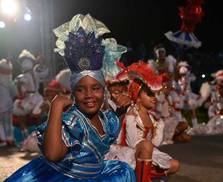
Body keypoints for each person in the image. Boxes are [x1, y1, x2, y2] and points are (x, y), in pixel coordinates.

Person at [5, 14, 135, 182]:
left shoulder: (106, 119)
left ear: (104, 91)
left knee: (123, 171)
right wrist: (56, 107)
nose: (89, 95)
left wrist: (122, 109)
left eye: (95, 88)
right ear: (73, 93)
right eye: (81, 90)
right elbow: (52, 154)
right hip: (66, 178)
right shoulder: (73, 121)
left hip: (95, 175)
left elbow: (108, 135)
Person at [118, 61, 180, 181]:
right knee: (146, 145)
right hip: (129, 154)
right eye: (150, 94)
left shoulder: (152, 117)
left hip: (145, 155)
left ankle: (140, 177)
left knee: (175, 165)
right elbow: (132, 143)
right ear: (138, 96)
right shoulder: (131, 114)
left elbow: (155, 144)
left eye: (155, 94)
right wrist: (146, 146)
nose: (154, 98)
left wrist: (160, 125)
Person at [0, 58, 17, 146]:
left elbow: (15, 94)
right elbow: (15, 94)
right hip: (7, 105)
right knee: (6, 123)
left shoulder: (10, 83)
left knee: (5, 123)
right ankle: (7, 139)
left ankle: (6, 140)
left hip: (6, 106)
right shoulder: (10, 82)